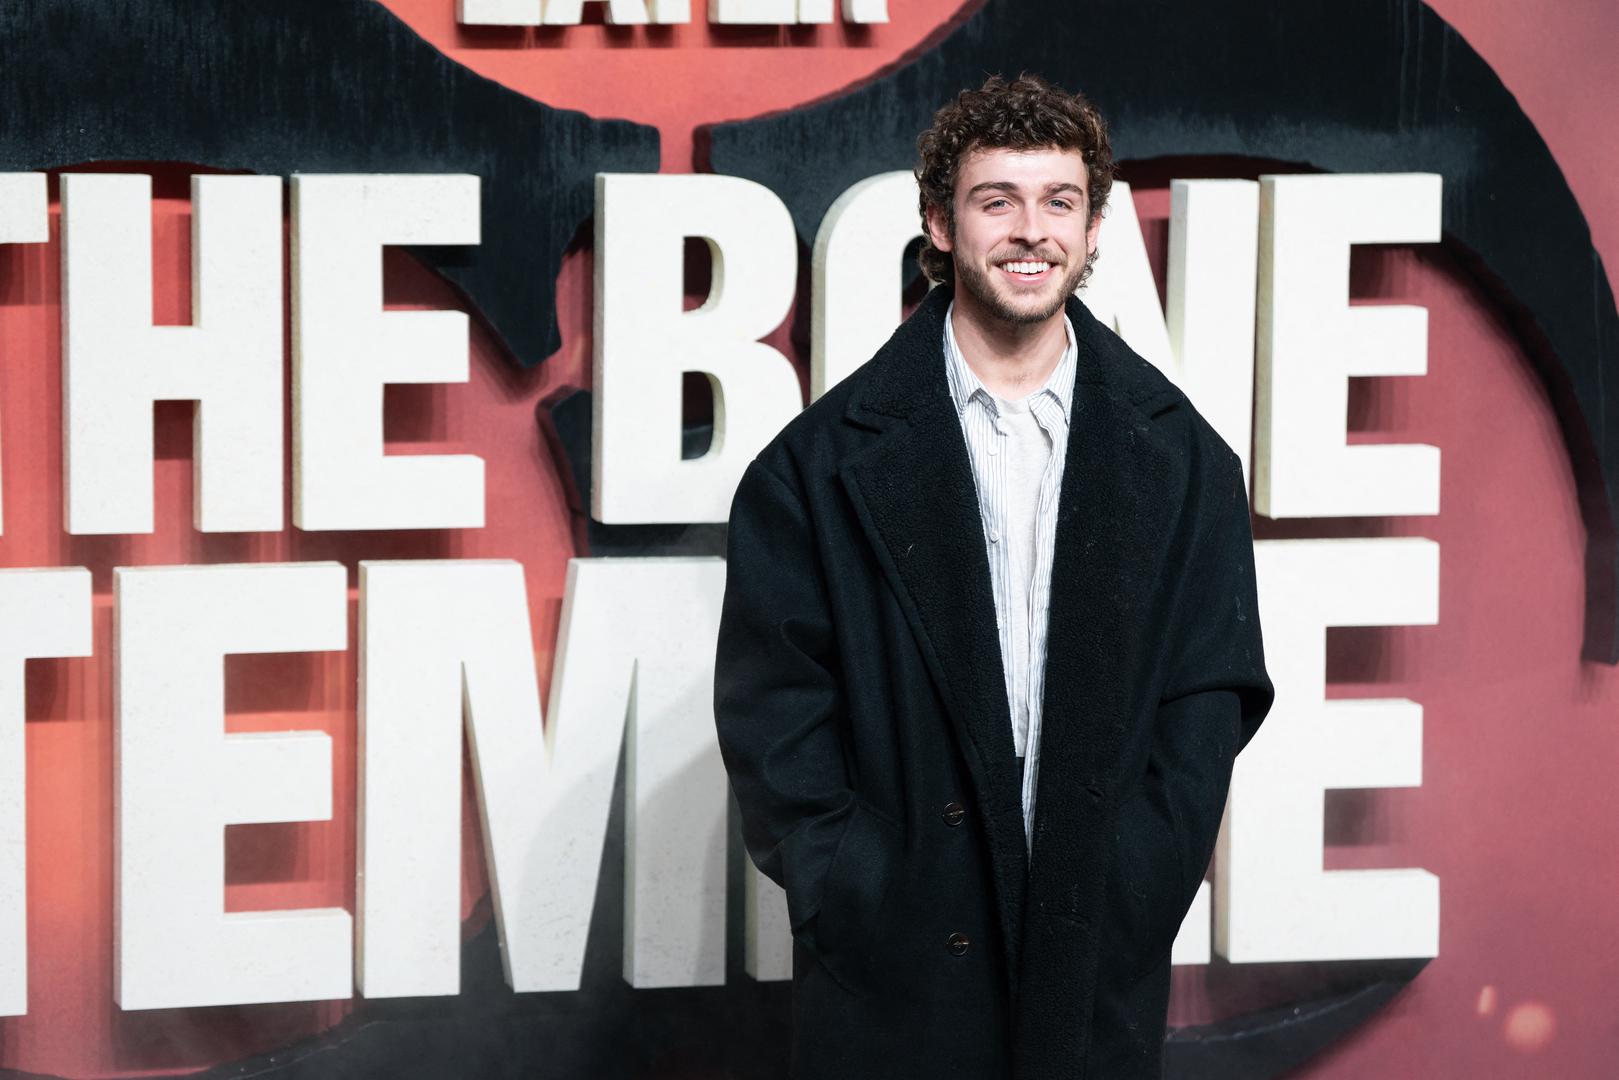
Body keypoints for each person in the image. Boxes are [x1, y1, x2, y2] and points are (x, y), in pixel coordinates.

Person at [713, 73, 1273, 1080]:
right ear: (937, 220)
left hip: (1092, 967)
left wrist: (1133, 889)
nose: (1030, 231)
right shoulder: (810, 470)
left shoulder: (1184, 463)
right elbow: (772, 723)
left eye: (1058, 201)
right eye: (995, 200)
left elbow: (1207, 698)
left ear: (1094, 227)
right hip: (890, 987)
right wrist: (860, 899)